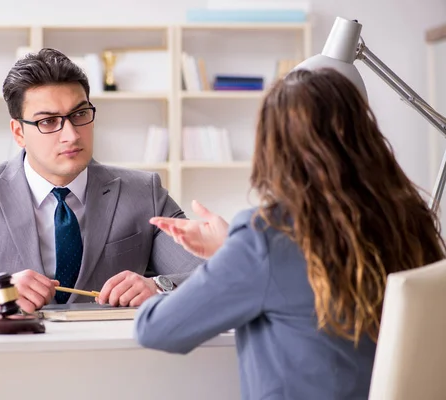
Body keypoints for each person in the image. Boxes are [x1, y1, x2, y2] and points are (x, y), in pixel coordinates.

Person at [133, 68, 446, 399]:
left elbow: (156, 329)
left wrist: (233, 254)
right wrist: (233, 251)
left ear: (273, 150)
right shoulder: (410, 219)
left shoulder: (267, 236)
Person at [0, 48, 202, 313]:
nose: (71, 134)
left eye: (80, 114)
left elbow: (212, 273)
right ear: (18, 133)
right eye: (48, 121)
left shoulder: (142, 192)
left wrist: (159, 286)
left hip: (114, 363)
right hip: (4, 363)